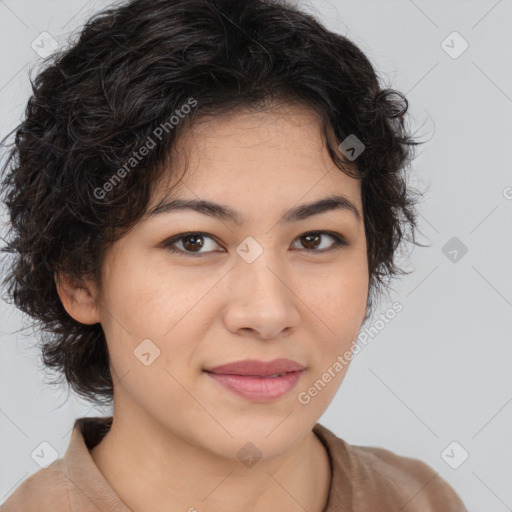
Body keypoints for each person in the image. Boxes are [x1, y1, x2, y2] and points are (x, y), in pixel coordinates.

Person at [0, 0, 467, 510]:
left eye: (315, 239)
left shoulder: (422, 499)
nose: (268, 313)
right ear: (78, 279)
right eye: (193, 242)